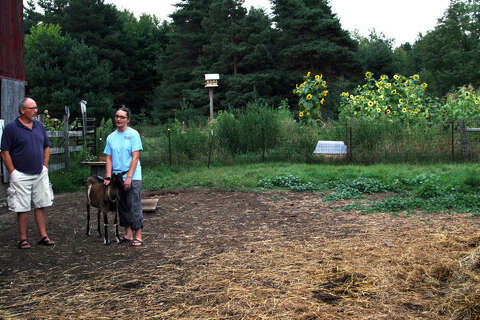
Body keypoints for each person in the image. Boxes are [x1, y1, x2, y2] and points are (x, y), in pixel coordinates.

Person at [0, 97, 55, 249]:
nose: (35, 111)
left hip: (39, 173)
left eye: (36, 108)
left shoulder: (39, 126)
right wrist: (13, 172)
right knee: (22, 207)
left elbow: (46, 146)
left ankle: (43, 236)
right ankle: (23, 239)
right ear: (22, 110)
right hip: (21, 174)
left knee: (41, 204)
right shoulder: (12, 128)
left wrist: (44, 166)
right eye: (32, 108)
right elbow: (4, 151)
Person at [104, 106, 144, 246]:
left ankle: (138, 234)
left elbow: (135, 157)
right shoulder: (111, 137)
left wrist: (129, 177)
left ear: (128, 119)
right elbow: (108, 158)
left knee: (134, 205)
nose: (118, 119)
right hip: (117, 176)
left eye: (122, 117)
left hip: (132, 175)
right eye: (117, 116)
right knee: (122, 205)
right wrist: (108, 177)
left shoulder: (133, 134)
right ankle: (127, 233)